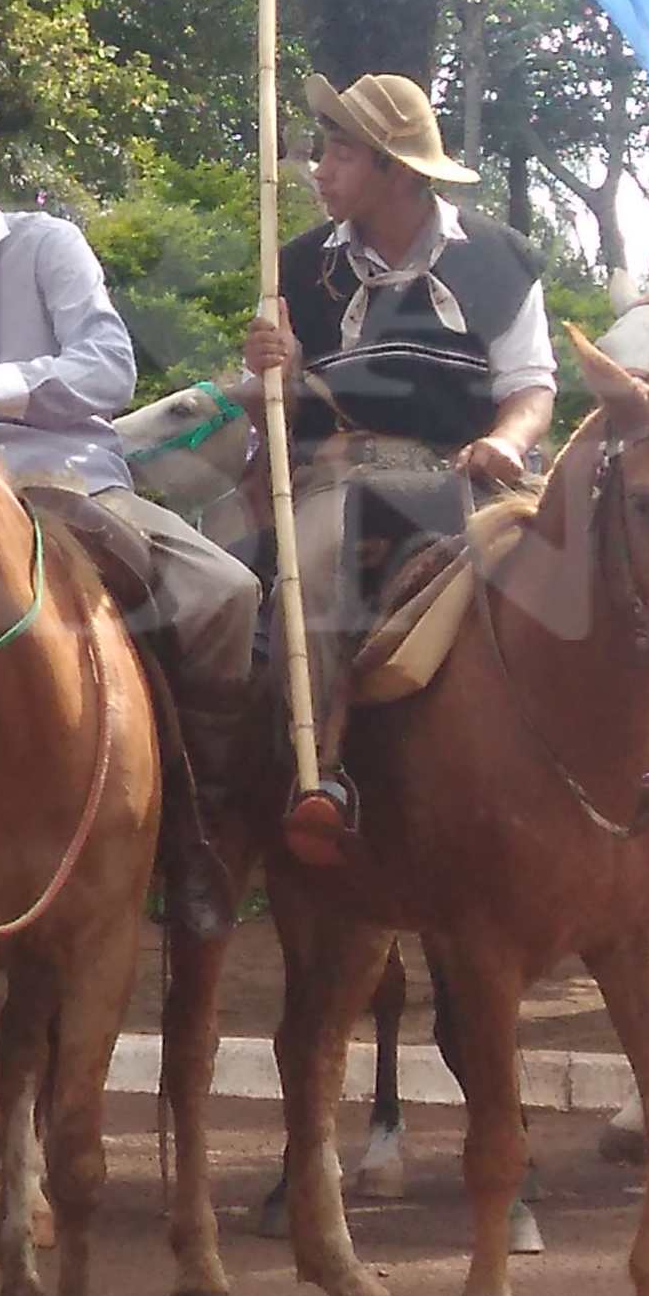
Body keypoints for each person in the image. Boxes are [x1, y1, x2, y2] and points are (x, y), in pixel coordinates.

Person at [0, 132, 262, 929]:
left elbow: (108, 366)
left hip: (70, 480)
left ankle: (192, 831)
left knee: (225, 595)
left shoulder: (46, 245)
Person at [237, 73, 554, 852]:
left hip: (472, 472)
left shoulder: (501, 260)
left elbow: (530, 388)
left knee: (596, 569)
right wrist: (270, 374)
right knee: (306, 571)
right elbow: (266, 412)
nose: (319, 168)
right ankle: (316, 767)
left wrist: (507, 443)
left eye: (339, 152)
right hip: (341, 474)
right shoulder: (298, 264)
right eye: (320, 150)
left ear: (398, 171)